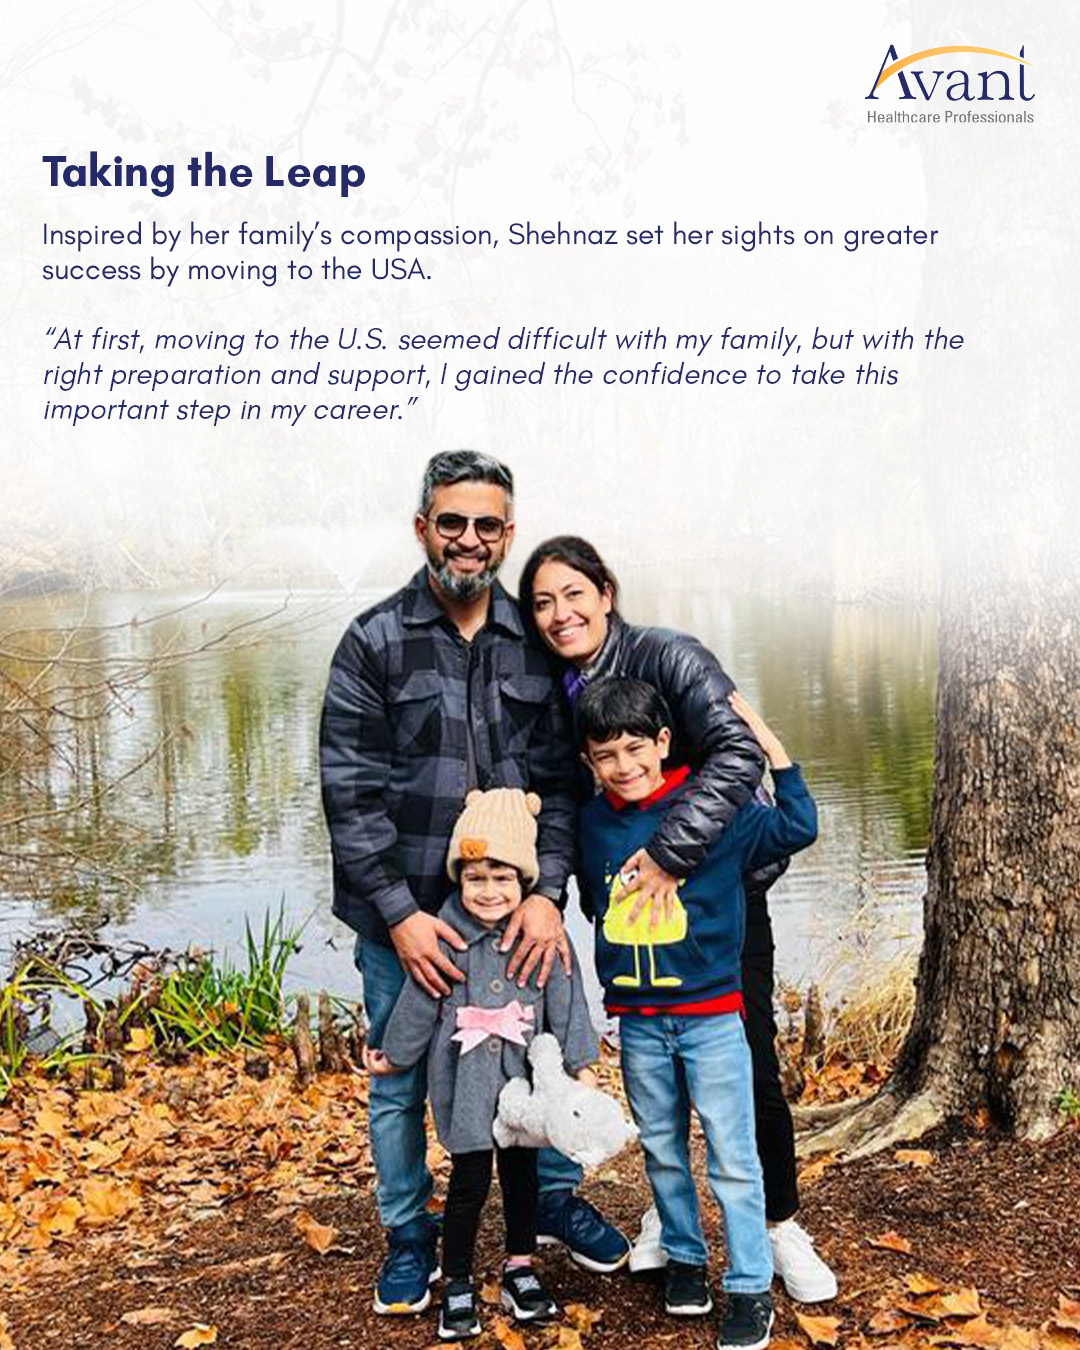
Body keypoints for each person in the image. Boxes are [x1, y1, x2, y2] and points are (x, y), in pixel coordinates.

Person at [319, 457, 629, 1316]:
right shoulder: (374, 642)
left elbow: (563, 784)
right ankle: (408, 1233)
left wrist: (547, 895)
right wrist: (400, 916)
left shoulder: (534, 643)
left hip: (515, 915)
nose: (469, 539)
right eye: (451, 522)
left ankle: (552, 1201)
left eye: (487, 524)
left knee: (541, 1061)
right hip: (409, 918)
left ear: (508, 533)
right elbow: (349, 794)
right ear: (423, 527)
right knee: (398, 1079)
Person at [518, 536, 838, 1304]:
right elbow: (565, 803)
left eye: (573, 594)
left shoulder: (669, 655)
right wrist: (558, 896)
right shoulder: (557, 690)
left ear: (606, 592)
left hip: (722, 887)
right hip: (636, 910)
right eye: (542, 603)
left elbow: (737, 752)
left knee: (749, 1062)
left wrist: (671, 855)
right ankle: (673, 1217)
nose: (560, 614)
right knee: (657, 1091)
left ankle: (778, 1223)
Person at [575, 677, 818, 1350]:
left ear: (663, 742)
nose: (623, 766)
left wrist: (768, 746)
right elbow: (590, 895)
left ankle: (748, 1285)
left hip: (711, 1017)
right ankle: (685, 1258)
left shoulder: (713, 811)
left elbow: (799, 826)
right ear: (589, 762)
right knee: (661, 1147)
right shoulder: (593, 822)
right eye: (606, 755)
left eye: (635, 749)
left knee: (733, 1157)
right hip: (639, 1021)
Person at [366, 788, 599, 1341]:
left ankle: (520, 1267)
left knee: (521, 1177)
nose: (488, 891)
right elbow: (419, 1003)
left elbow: (568, 999)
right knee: (468, 1184)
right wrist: (395, 1055)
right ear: (458, 879)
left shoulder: (541, 936)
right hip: (465, 1085)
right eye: (475, 878)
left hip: (523, 1086)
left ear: (524, 881)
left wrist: (581, 1063)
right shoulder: (445, 937)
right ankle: (458, 1280)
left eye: (502, 878)